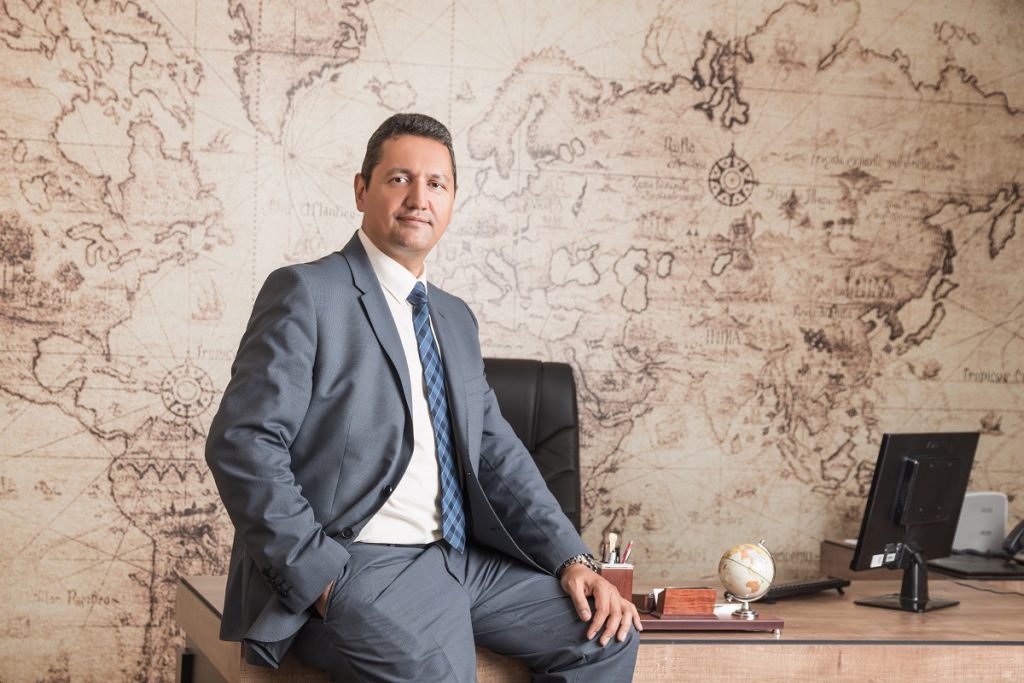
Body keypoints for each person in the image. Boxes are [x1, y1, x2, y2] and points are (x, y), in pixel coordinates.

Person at [205, 113, 641, 682]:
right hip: (361, 563)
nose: (418, 198)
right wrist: (318, 576)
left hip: (462, 561)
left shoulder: (454, 318)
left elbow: (495, 453)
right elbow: (243, 443)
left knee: (605, 637)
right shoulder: (307, 293)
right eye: (399, 179)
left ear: (452, 201)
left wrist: (572, 559)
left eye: (436, 183)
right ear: (361, 190)